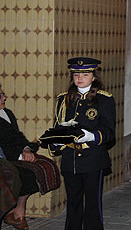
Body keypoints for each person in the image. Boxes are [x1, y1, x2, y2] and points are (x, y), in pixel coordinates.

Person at [52, 58, 116, 230]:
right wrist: (55, 141)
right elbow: (58, 126)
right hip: (70, 158)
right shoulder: (63, 100)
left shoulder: (104, 99)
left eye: (85, 74)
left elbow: (109, 132)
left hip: (93, 158)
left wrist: (91, 136)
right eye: (76, 74)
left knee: (93, 203)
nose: (80, 78)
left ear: (93, 77)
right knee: (73, 201)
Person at [0, 87, 39, 230]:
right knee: (14, 175)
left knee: (30, 173)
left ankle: (17, 213)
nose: (4, 98)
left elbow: (17, 137)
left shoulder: (7, 113)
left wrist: (26, 149)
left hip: (12, 156)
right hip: (4, 158)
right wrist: (20, 156)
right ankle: (11, 213)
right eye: (0, 95)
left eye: (3, 94)